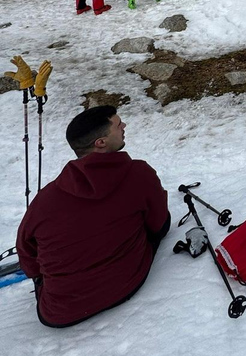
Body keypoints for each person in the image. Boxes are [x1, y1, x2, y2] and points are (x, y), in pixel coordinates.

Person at [16, 106, 170, 328]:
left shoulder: (45, 199)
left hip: (59, 312)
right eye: (118, 125)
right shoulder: (139, 174)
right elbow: (159, 226)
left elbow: (27, 253)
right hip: (127, 284)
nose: (124, 126)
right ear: (101, 142)